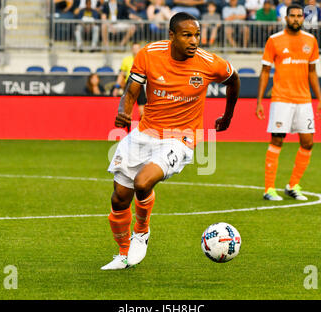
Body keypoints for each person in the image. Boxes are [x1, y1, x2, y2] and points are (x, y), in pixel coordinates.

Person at [101, 12, 240, 270]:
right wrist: (124, 111)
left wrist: (228, 115)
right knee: (119, 198)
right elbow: (132, 88)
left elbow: (234, 80)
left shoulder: (209, 63)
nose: (194, 40)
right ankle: (123, 254)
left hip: (182, 138)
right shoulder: (149, 54)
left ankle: (141, 232)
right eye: (187, 35)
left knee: (143, 182)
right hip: (146, 133)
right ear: (172, 36)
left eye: (197, 34)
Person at [256, 3, 321, 201]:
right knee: (277, 139)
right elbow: (265, 71)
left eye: (299, 16)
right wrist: (259, 101)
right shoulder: (274, 40)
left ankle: (293, 185)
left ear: (303, 18)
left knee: (308, 142)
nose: (296, 19)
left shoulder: (311, 40)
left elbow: (312, 71)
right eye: (292, 15)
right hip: (281, 98)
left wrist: (319, 98)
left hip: (304, 99)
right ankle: (269, 188)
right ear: (286, 18)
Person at [112, 43, 146, 117]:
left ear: (140, 50)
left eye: (137, 49)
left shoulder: (144, 60)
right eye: (134, 49)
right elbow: (121, 74)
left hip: (140, 84)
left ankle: (141, 127)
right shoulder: (126, 60)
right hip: (129, 85)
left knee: (142, 110)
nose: (136, 51)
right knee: (127, 110)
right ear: (132, 50)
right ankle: (128, 127)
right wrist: (116, 87)